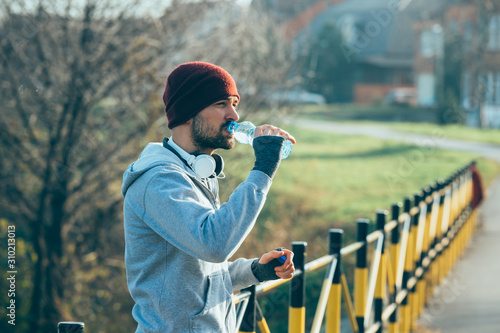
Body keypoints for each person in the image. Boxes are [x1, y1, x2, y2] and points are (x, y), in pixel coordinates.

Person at [122, 61, 296, 333]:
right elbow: (214, 245)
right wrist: (263, 169)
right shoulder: (157, 181)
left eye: (234, 103)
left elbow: (200, 277)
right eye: (221, 104)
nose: (234, 116)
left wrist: (255, 271)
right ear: (188, 113)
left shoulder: (197, 172)